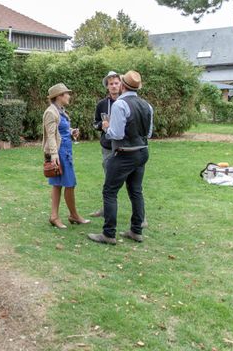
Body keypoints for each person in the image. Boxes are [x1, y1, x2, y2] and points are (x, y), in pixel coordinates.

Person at [88, 71, 153, 245]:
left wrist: (107, 128)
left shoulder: (120, 105)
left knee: (109, 192)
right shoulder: (147, 105)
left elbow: (116, 134)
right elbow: (149, 133)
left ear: (123, 86)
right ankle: (136, 230)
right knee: (136, 190)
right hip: (142, 152)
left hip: (124, 153)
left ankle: (109, 234)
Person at [42, 83, 89, 229]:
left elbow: (60, 131)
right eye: (66, 93)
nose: (69, 96)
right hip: (60, 153)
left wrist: (71, 131)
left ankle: (54, 216)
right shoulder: (51, 112)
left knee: (57, 184)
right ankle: (73, 215)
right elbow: (50, 135)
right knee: (70, 184)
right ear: (59, 96)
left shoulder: (60, 111)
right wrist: (54, 155)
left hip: (66, 151)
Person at [89, 71, 121, 218]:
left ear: (121, 85)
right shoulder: (102, 104)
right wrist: (101, 124)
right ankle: (106, 209)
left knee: (131, 183)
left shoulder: (127, 103)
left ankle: (140, 216)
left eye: (116, 83)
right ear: (107, 87)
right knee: (108, 180)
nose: (114, 86)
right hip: (107, 147)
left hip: (124, 147)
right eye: (111, 84)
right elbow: (94, 124)